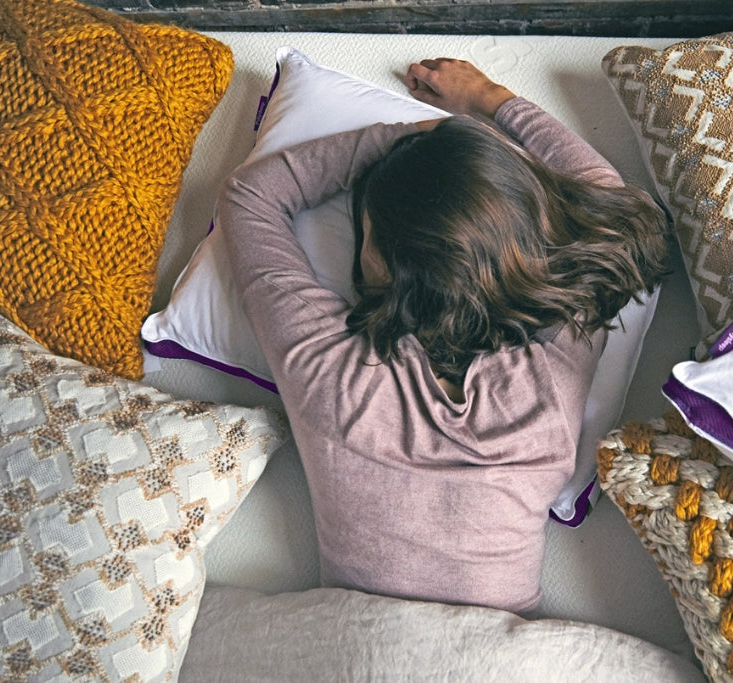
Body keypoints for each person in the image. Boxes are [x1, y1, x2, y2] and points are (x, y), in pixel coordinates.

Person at [217, 58, 669, 613]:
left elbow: (250, 196)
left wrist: (409, 135)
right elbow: (605, 193)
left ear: (382, 267)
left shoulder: (331, 372)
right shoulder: (552, 376)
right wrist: (488, 100)